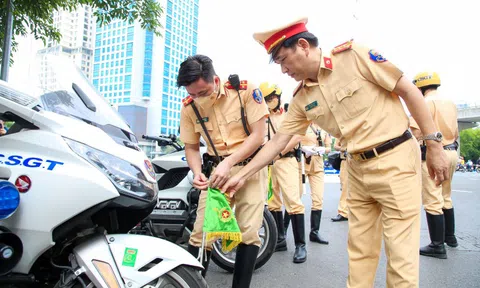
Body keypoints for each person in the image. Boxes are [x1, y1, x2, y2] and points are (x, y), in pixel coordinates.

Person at [221, 17, 450, 287]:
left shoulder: (354, 56)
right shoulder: (302, 97)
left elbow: (409, 91)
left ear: (303, 45)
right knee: (359, 255)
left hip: (395, 160)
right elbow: (276, 143)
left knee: (401, 260)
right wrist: (241, 174)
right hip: (356, 169)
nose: (283, 70)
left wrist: (435, 145)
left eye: (284, 60)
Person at [178, 55, 269, 287]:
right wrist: (197, 171)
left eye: (203, 92)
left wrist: (230, 163)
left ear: (215, 80)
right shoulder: (189, 107)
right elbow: (191, 146)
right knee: (202, 233)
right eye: (193, 94)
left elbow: (259, 136)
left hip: (250, 168)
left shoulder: (245, 92)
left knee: (248, 232)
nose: (198, 99)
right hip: (215, 174)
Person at [410, 72, 459, 259]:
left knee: (432, 199)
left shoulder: (425, 103)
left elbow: (415, 131)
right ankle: (450, 238)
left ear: (420, 87)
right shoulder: (450, 103)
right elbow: (455, 132)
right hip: (451, 151)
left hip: (433, 153)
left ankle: (437, 245)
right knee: (446, 195)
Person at [259, 81, 307, 262]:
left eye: (272, 98)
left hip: (286, 161)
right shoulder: (263, 118)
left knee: (293, 202)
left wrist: (278, 153)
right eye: (266, 99)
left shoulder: (288, 115)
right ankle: (280, 239)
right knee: (273, 202)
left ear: (278, 97)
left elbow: (297, 136)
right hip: (270, 164)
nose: (270, 101)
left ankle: (300, 245)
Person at [300, 123, 330, 244]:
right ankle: (283, 232)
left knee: (318, 199)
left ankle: (314, 233)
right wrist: (304, 148)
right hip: (302, 164)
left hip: (318, 166)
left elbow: (328, 147)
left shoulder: (324, 127)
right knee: (295, 197)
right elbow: (294, 143)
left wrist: (321, 149)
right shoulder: (303, 124)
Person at [331, 139, 349, 222]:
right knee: (344, 188)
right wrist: (345, 148)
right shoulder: (341, 131)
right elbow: (335, 146)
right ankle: (343, 213)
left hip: (360, 160)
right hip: (345, 161)